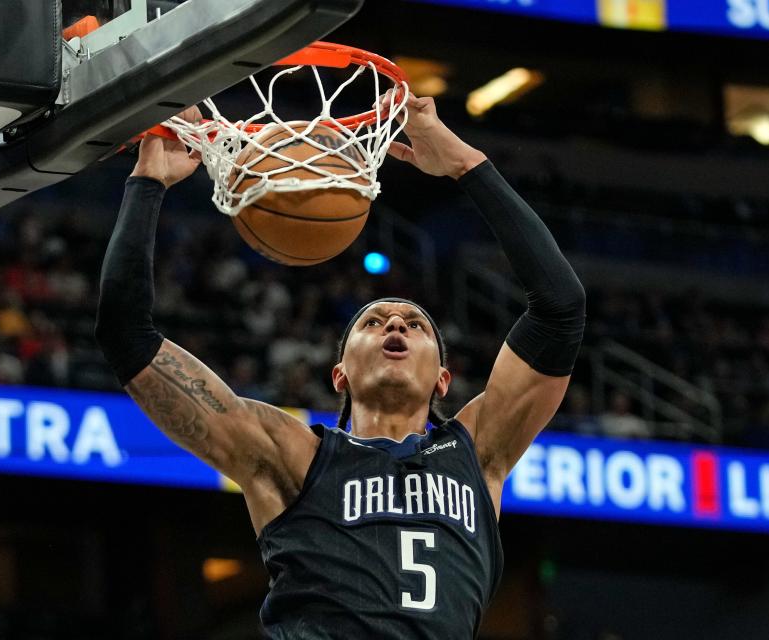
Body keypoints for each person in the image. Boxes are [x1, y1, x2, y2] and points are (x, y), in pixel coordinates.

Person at [94, 96, 585, 638]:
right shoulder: (293, 456)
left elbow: (560, 308)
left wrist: (466, 164)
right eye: (373, 322)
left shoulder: (479, 452)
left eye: (415, 325)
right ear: (340, 373)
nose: (396, 325)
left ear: (443, 378)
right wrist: (147, 183)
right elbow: (128, 338)